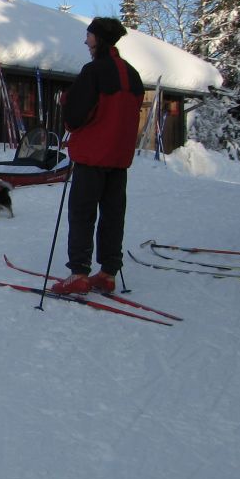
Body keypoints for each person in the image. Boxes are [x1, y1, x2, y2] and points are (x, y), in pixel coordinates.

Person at [51, 17, 144, 295]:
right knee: (113, 215)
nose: (86, 41)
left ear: (99, 39)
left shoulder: (94, 71)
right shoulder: (133, 74)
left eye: (89, 36)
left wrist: (65, 102)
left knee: (82, 214)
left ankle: (79, 273)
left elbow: (77, 116)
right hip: (119, 158)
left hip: (93, 155)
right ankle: (107, 273)